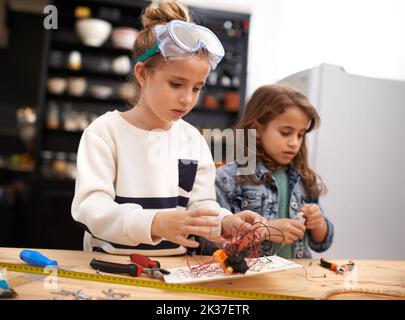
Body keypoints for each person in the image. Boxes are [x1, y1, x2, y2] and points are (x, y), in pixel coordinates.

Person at [71, 0, 264, 256]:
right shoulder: (105, 133)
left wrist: (226, 222)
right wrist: (155, 223)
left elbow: (202, 206)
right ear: (142, 74)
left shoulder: (192, 140)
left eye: (197, 88)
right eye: (176, 84)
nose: (187, 99)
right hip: (110, 266)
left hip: (173, 271)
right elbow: (91, 208)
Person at [212, 84, 334, 258]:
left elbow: (322, 243)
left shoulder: (304, 178)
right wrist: (266, 230)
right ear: (257, 129)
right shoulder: (228, 178)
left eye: (300, 135)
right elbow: (214, 244)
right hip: (251, 281)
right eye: (286, 132)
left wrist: (318, 223)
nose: (294, 142)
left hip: (297, 278)